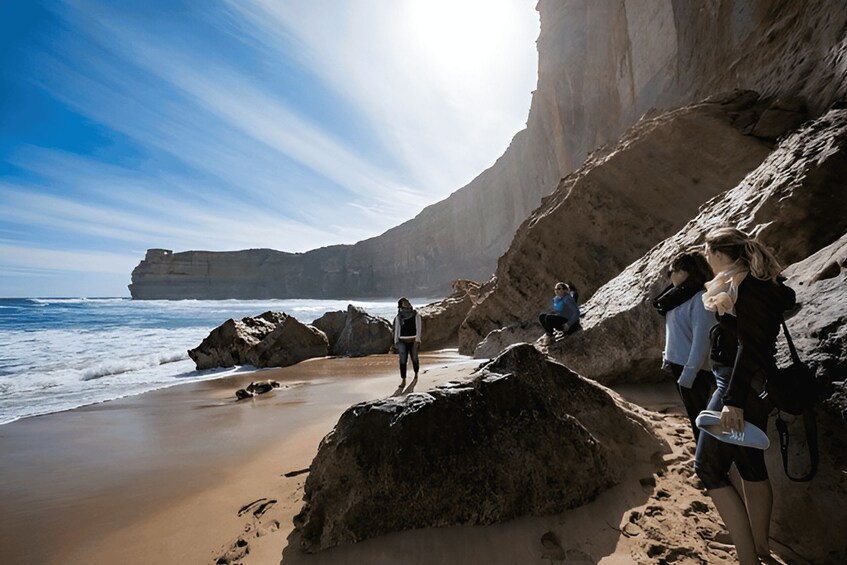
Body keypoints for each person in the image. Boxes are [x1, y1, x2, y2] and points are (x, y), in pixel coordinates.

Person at [694, 227, 796, 565]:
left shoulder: (746, 288)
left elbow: (751, 347)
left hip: (737, 388)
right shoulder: (747, 283)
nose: (706, 259)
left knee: (707, 468)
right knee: (749, 465)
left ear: (720, 254)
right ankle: (760, 549)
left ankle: (748, 558)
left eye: (707, 253)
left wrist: (732, 400)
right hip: (746, 386)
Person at [652, 250, 715, 441]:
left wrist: (690, 372)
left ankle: (708, 461)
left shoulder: (701, 299)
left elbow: (702, 340)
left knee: (700, 416)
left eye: (671, 271)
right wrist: (667, 355)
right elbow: (676, 332)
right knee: (693, 413)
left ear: (685, 272)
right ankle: (704, 456)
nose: (669, 276)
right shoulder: (680, 296)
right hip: (679, 364)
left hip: (695, 369)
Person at [393, 297, 422, 381]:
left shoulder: (415, 314)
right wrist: (396, 341)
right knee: (402, 360)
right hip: (402, 340)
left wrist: (418, 339)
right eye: (404, 302)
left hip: (413, 340)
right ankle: (403, 379)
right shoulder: (398, 317)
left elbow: (418, 327)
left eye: (408, 302)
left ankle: (416, 374)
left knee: (414, 358)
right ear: (401, 305)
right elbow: (397, 329)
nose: (407, 303)